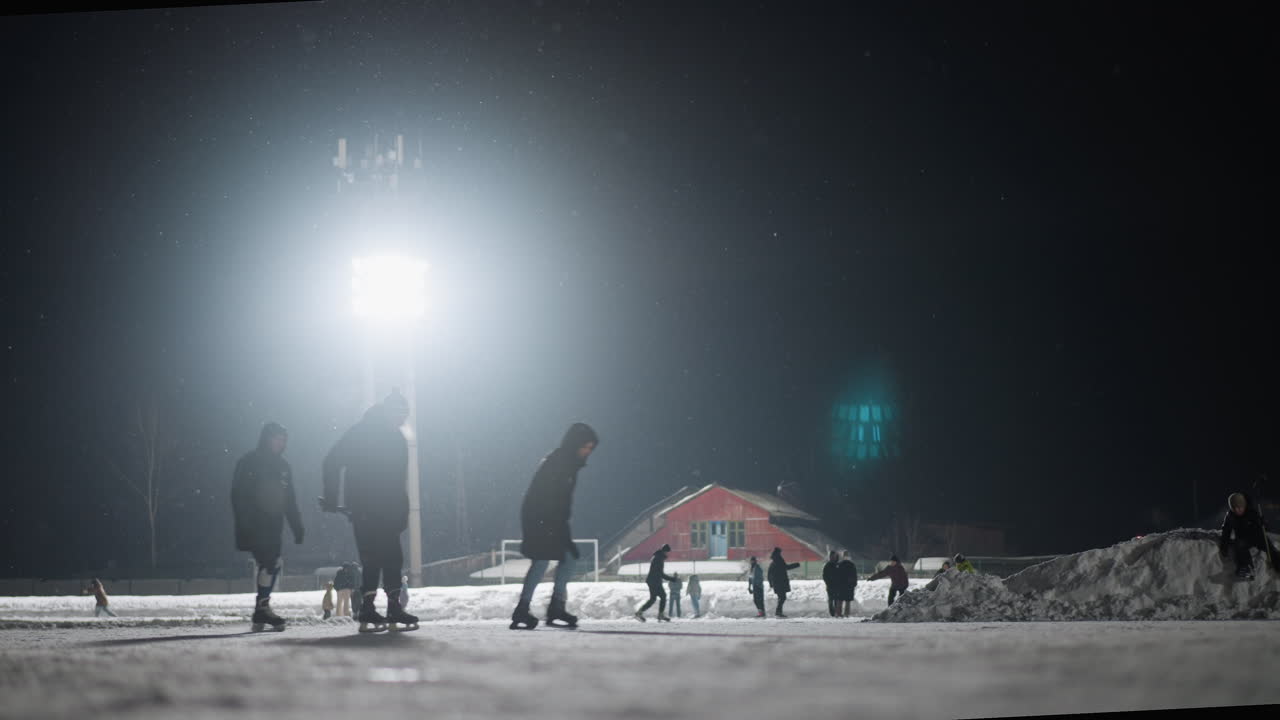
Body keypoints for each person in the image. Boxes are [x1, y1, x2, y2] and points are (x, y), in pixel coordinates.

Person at [321, 390, 419, 632]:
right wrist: (333, 497)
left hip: (387, 509)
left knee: (392, 558)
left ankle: (390, 607)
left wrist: (402, 510)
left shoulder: (396, 438)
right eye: (400, 414)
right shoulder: (362, 433)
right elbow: (332, 461)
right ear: (389, 412)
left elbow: (399, 480)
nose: (402, 420)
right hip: (366, 508)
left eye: (405, 415)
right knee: (374, 558)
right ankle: (369, 607)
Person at [510, 423, 599, 630]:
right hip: (539, 518)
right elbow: (546, 497)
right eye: (585, 447)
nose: (588, 452)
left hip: (553, 519)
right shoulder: (558, 462)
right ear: (575, 444)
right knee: (541, 560)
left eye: (591, 449)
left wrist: (560, 524)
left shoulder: (569, 463)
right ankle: (522, 609)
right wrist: (549, 524)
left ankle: (555, 607)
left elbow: (561, 501)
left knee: (569, 557)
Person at [232, 421, 303, 632]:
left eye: (284, 440)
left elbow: (289, 499)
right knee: (269, 562)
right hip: (255, 524)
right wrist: (244, 523)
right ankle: (262, 607)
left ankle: (261, 608)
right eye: (277, 439)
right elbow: (238, 495)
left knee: (272, 564)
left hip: (274, 526)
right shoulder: (249, 462)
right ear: (267, 438)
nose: (281, 443)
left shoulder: (283, 467)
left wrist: (296, 526)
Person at [1219, 492, 1279, 580]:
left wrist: (1263, 523)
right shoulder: (1230, 516)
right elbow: (1226, 531)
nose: (1238, 510)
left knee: (1270, 549)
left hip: (1257, 536)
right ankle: (1246, 568)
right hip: (1243, 539)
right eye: (1235, 508)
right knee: (1239, 545)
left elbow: (1265, 527)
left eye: (1240, 507)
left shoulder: (1251, 512)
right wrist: (1224, 546)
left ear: (1244, 505)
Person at [636, 543, 676, 622]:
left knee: (653, 599)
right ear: (665, 551)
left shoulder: (658, 557)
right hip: (654, 581)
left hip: (653, 580)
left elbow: (658, 573)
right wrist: (672, 579)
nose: (668, 554)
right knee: (663, 596)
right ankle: (660, 615)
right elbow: (660, 573)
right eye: (668, 552)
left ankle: (640, 612)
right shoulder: (658, 559)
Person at [767, 547, 800, 617]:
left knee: (781, 597)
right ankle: (778, 612)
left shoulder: (773, 562)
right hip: (780, 582)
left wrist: (771, 583)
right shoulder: (779, 560)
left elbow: (769, 574)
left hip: (777, 583)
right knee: (782, 597)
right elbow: (786, 567)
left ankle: (778, 612)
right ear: (778, 553)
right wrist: (796, 565)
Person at [837, 551, 858, 617]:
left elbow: (837, 575)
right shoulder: (852, 565)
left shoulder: (840, 564)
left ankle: (839, 613)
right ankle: (846, 614)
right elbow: (854, 575)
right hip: (849, 585)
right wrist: (854, 584)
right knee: (847, 601)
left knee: (840, 600)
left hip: (841, 585)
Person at [823, 550, 842, 617]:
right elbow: (824, 576)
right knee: (831, 600)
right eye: (831, 556)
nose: (833, 557)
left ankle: (836, 613)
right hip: (830, 586)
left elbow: (841, 575)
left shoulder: (838, 564)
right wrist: (828, 583)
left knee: (837, 600)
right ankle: (832, 613)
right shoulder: (827, 565)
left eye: (834, 556)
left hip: (837, 586)